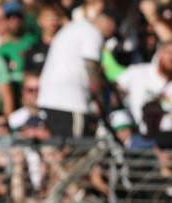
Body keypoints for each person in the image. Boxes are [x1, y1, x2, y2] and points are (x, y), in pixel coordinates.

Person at [37, 10, 117, 139]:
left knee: (62, 148)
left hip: (50, 99)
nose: (111, 35)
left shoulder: (74, 28)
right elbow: (91, 65)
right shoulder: (92, 32)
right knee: (76, 148)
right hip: (70, 102)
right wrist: (100, 98)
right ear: (109, 22)